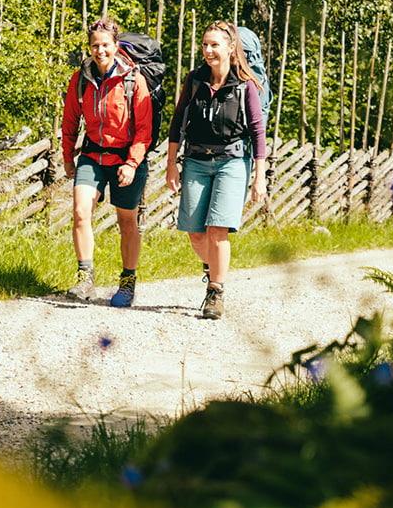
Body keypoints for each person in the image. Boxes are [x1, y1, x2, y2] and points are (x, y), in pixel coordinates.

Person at [166, 20, 267, 320]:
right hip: (196, 160)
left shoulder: (245, 86)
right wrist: (171, 165)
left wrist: (259, 178)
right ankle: (213, 268)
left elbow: (258, 132)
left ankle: (215, 292)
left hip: (232, 162)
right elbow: (177, 123)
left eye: (215, 45)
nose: (208, 50)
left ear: (230, 48)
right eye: (205, 44)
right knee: (196, 234)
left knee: (217, 230)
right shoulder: (195, 80)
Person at [62, 17, 153, 307]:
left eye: (105, 45)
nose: (100, 51)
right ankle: (85, 277)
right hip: (92, 155)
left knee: (126, 220)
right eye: (94, 46)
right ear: (89, 48)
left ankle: (127, 282)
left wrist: (132, 163)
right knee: (80, 211)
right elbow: (70, 122)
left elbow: (144, 130)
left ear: (116, 46)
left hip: (126, 158)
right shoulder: (80, 80)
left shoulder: (133, 80)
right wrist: (67, 157)